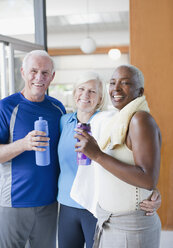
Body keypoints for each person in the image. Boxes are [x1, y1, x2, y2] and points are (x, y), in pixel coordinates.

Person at [57, 71, 161, 248]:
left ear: (100, 98)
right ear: (74, 93)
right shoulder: (63, 121)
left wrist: (152, 192)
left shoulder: (111, 121)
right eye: (81, 89)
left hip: (96, 205)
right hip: (66, 203)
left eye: (92, 91)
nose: (85, 95)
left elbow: (134, 157)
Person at [0, 50, 65, 248]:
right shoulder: (6, 107)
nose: (39, 78)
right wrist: (24, 144)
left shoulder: (58, 108)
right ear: (23, 72)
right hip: (14, 200)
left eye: (45, 73)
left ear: (52, 77)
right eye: (33, 71)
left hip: (50, 201)